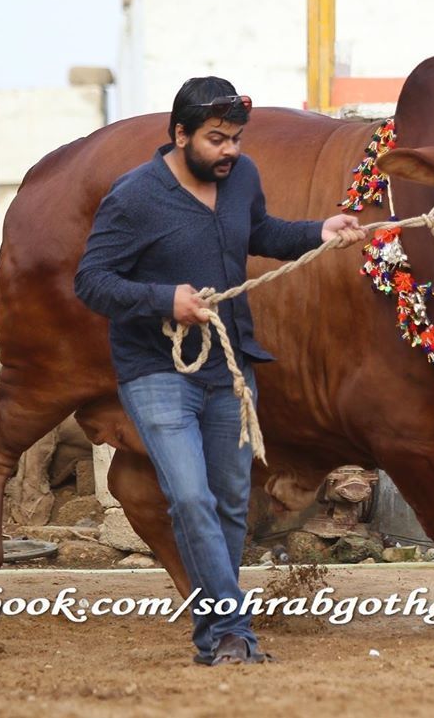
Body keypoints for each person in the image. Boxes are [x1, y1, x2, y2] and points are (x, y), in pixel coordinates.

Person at [74, 77, 364, 666]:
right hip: (156, 370)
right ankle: (236, 630)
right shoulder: (134, 196)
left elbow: (259, 233)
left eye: (234, 137)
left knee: (232, 503)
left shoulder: (242, 179)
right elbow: (91, 281)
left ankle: (215, 636)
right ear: (179, 136)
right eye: (215, 139)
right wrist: (164, 300)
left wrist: (319, 231)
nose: (229, 150)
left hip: (228, 370)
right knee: (189, 498)